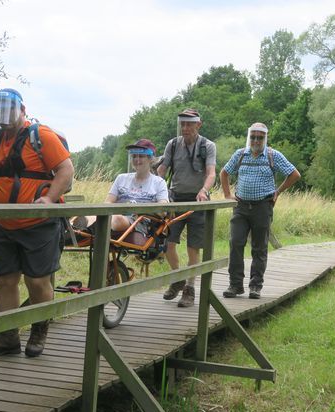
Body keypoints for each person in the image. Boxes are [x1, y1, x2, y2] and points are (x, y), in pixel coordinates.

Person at [0, 88, 74, 357]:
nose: (4, 114)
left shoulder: (41, 135)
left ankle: (39, 330)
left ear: (23, 110)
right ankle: (9, 337)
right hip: (4, 223)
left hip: (38, 224)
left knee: (36, 281)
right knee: (5, 281)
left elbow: (66, 169)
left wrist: (49, 199)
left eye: (9, 109)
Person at [220, 122, 300, 299]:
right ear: (249, 137)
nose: (256, 140)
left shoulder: (272, 155)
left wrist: (277, 192)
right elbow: (224, 172)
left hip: (262, 207)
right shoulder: (240, 154)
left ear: (265, 138)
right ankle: (235, 285)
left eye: (260, 137)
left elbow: (294, 174)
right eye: (253, 136)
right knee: (235, 243)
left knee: (259, 248)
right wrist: (227, 195)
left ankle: (255, 286)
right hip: (240, 206)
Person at [157, 108, 216, 307]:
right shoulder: (172, 145)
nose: (185, 128)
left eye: (189, 124)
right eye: (182, 124)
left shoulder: (208, 146)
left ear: (198, 125)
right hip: (175, 200)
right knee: (167, 245)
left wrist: (204, 191)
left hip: (197, 202)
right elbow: (162, 169)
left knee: (193, 248)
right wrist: (158, 189)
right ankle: (177, 278)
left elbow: (211, 173)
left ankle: (189, 289)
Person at [72, 139, 168, 233]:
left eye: (141, 156)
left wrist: (140, 209)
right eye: (134, 156)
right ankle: (75, 227)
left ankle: (88, 228)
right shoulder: (121, 178)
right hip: (116, 216)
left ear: (150, 159)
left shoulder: (158, 183)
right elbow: (109, 201)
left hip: (140, 221)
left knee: (117, 218)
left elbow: (163, 210)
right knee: (95, 216)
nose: (137, 160)